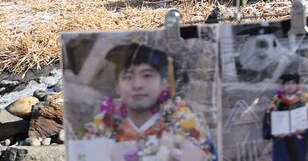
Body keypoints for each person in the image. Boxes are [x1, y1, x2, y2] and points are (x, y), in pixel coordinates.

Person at [80, 43, 216, 160]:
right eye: (128, 76)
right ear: (117, 87)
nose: (137, 85)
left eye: (147, 75)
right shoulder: (104, 124)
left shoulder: (182, 119)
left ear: (164, 83)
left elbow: (205, 156)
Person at [266, 72, 308, 161]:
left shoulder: (303, 99)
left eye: (293, 83)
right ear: (283, 86)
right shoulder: (276, 100)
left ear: (297, 85)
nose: (290, 86)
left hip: (298, 138)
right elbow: (268, 119)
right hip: (281, 139)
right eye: (287, 83)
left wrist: (305, 129)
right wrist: (276, 133)